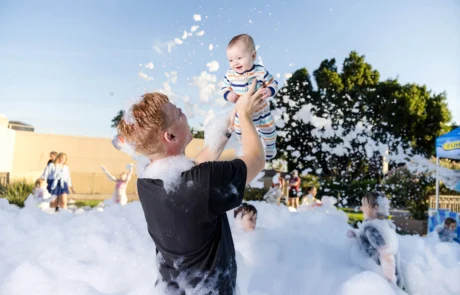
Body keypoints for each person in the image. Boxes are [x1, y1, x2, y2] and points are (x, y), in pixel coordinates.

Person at [116, 79, 266, 294]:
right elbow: (256, 160)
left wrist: (225, 129)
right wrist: (245, 114)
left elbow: (193, 172)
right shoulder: (202, 182)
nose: (184, 114)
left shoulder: (147, 182)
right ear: (170, 136)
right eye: (178, 114)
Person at [221, 34, 278, 160]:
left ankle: (270, 147)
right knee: (240, 132)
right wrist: (228, 94)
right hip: (241, 112)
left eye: (239, 58)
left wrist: (269, 90)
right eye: (230, 60)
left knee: (269, 129)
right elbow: (224, 88)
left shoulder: (260, 71)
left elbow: (273, 83)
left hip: (261, 110)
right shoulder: (230, 74)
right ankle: (246, 148)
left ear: (253, 56)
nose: (235, 63)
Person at [347, 192, 403, 289]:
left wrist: (390, 282)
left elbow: (386, 255)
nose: (361, 208)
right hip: (380, 274)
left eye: (364, 205)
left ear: (375, 207)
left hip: (380, 277)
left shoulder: (372, 228)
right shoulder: (382, 225)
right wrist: (356, 234)